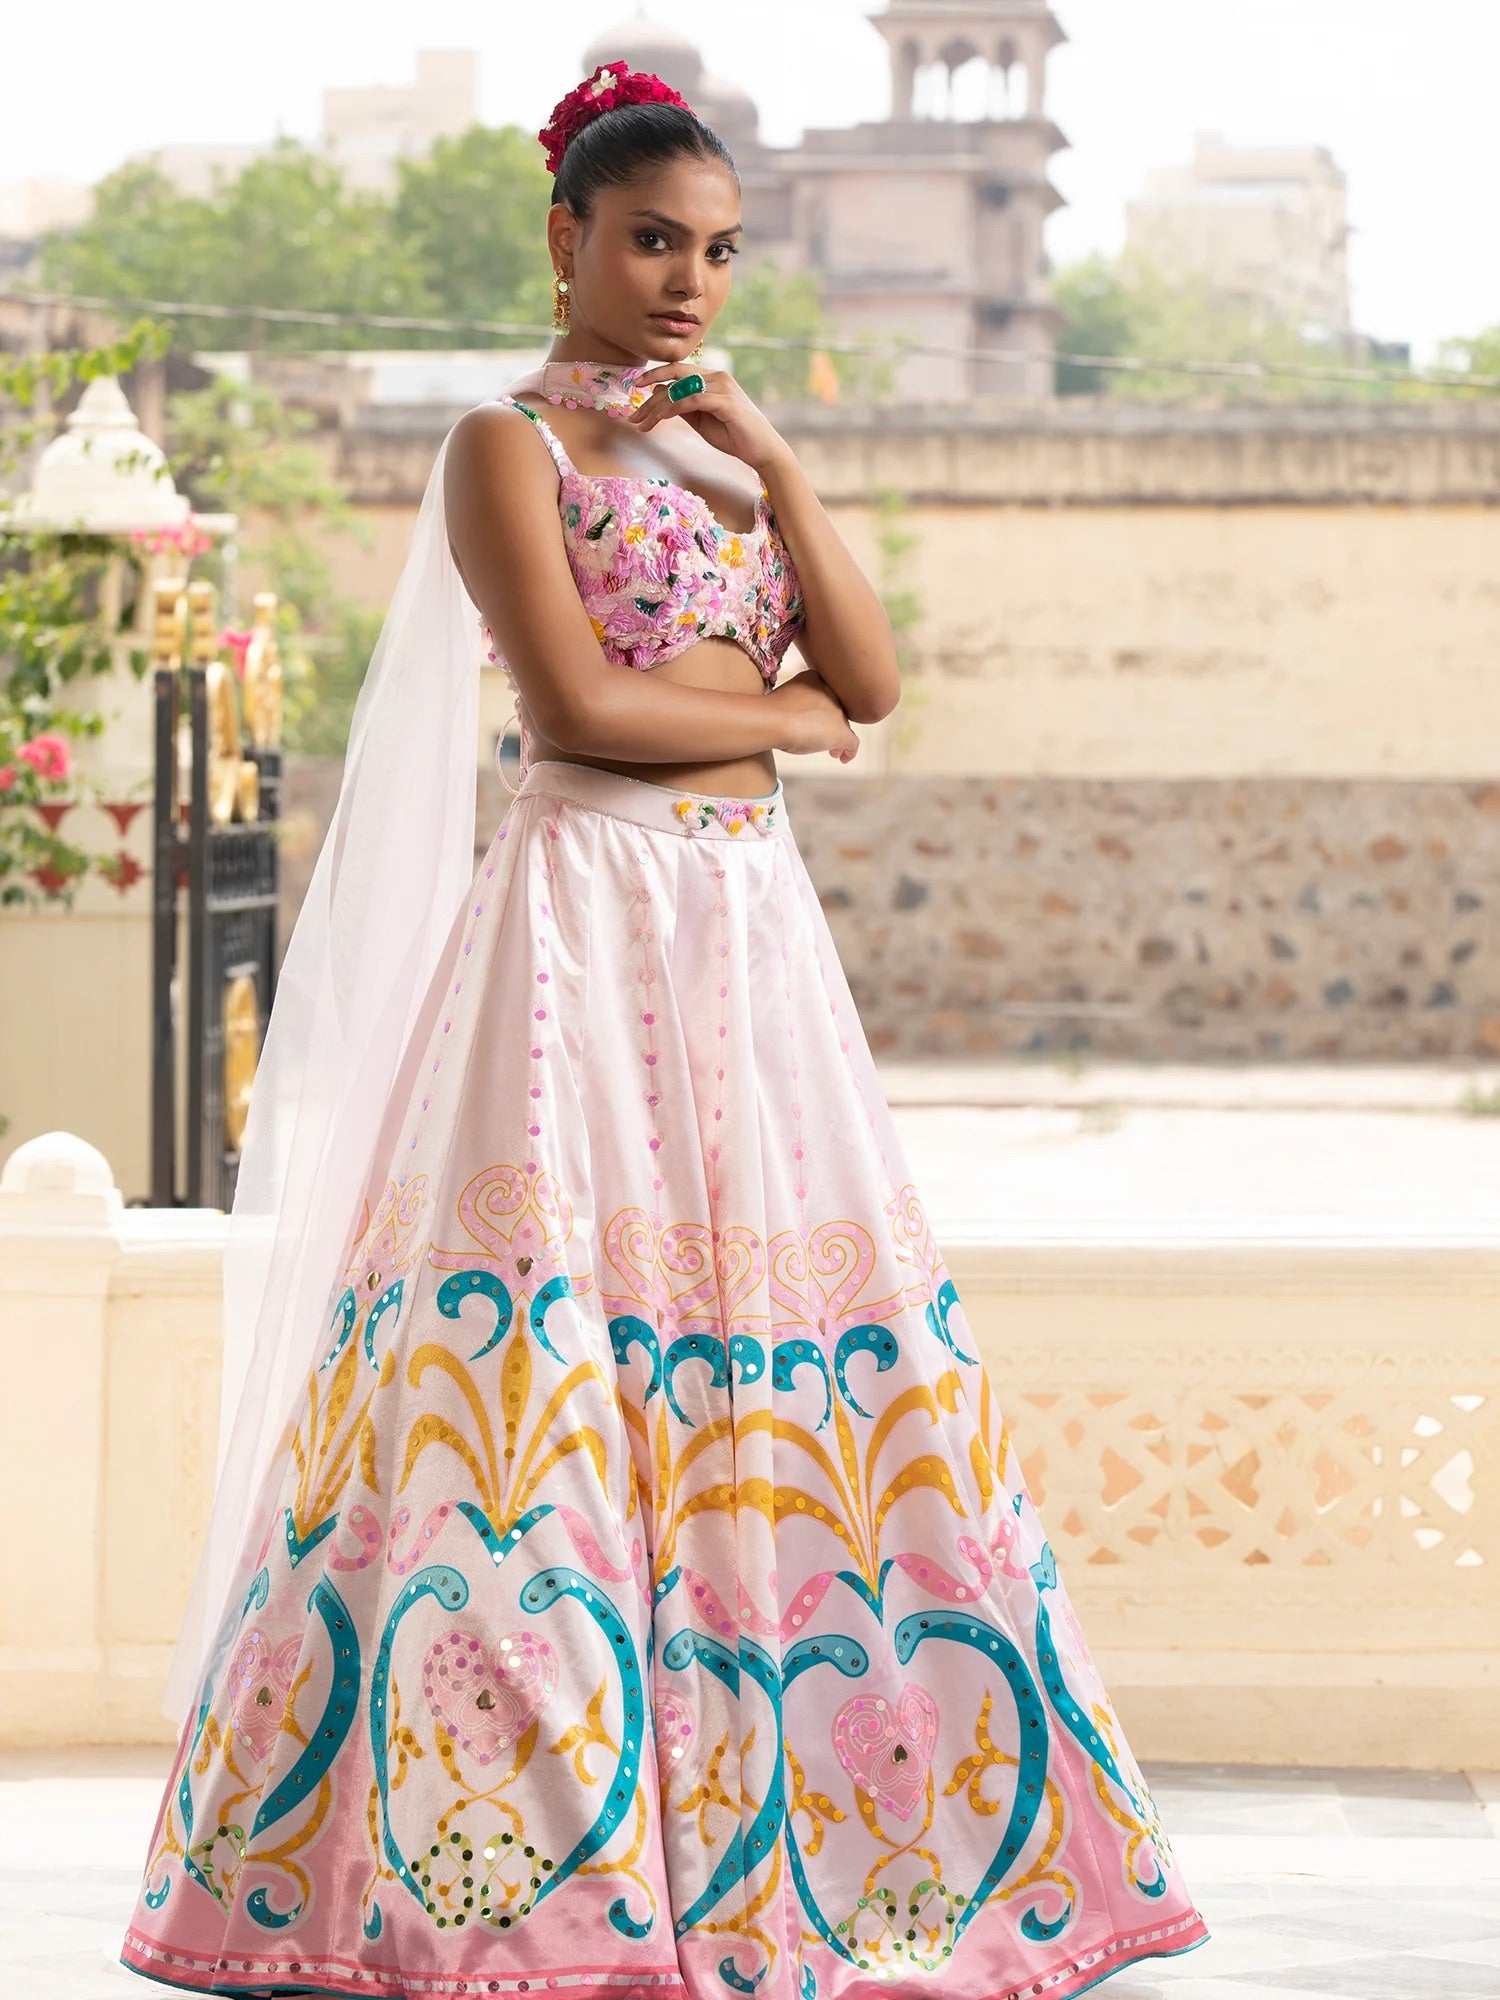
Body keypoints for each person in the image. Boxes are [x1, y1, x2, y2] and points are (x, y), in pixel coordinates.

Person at [121, 60, 1211, 2000]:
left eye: (716, 249)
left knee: (792, 1354)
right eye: (649, 241)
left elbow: (874, 670)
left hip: (746, 936)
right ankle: (527, 1870)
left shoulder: (724, 460)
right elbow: (582, 713)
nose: (688, 281)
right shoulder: (503, 449)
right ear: (566, 241)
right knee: (539, 1380)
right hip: (581, 930)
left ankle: (825, 1830)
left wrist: (776, 466)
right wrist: (781, 720)